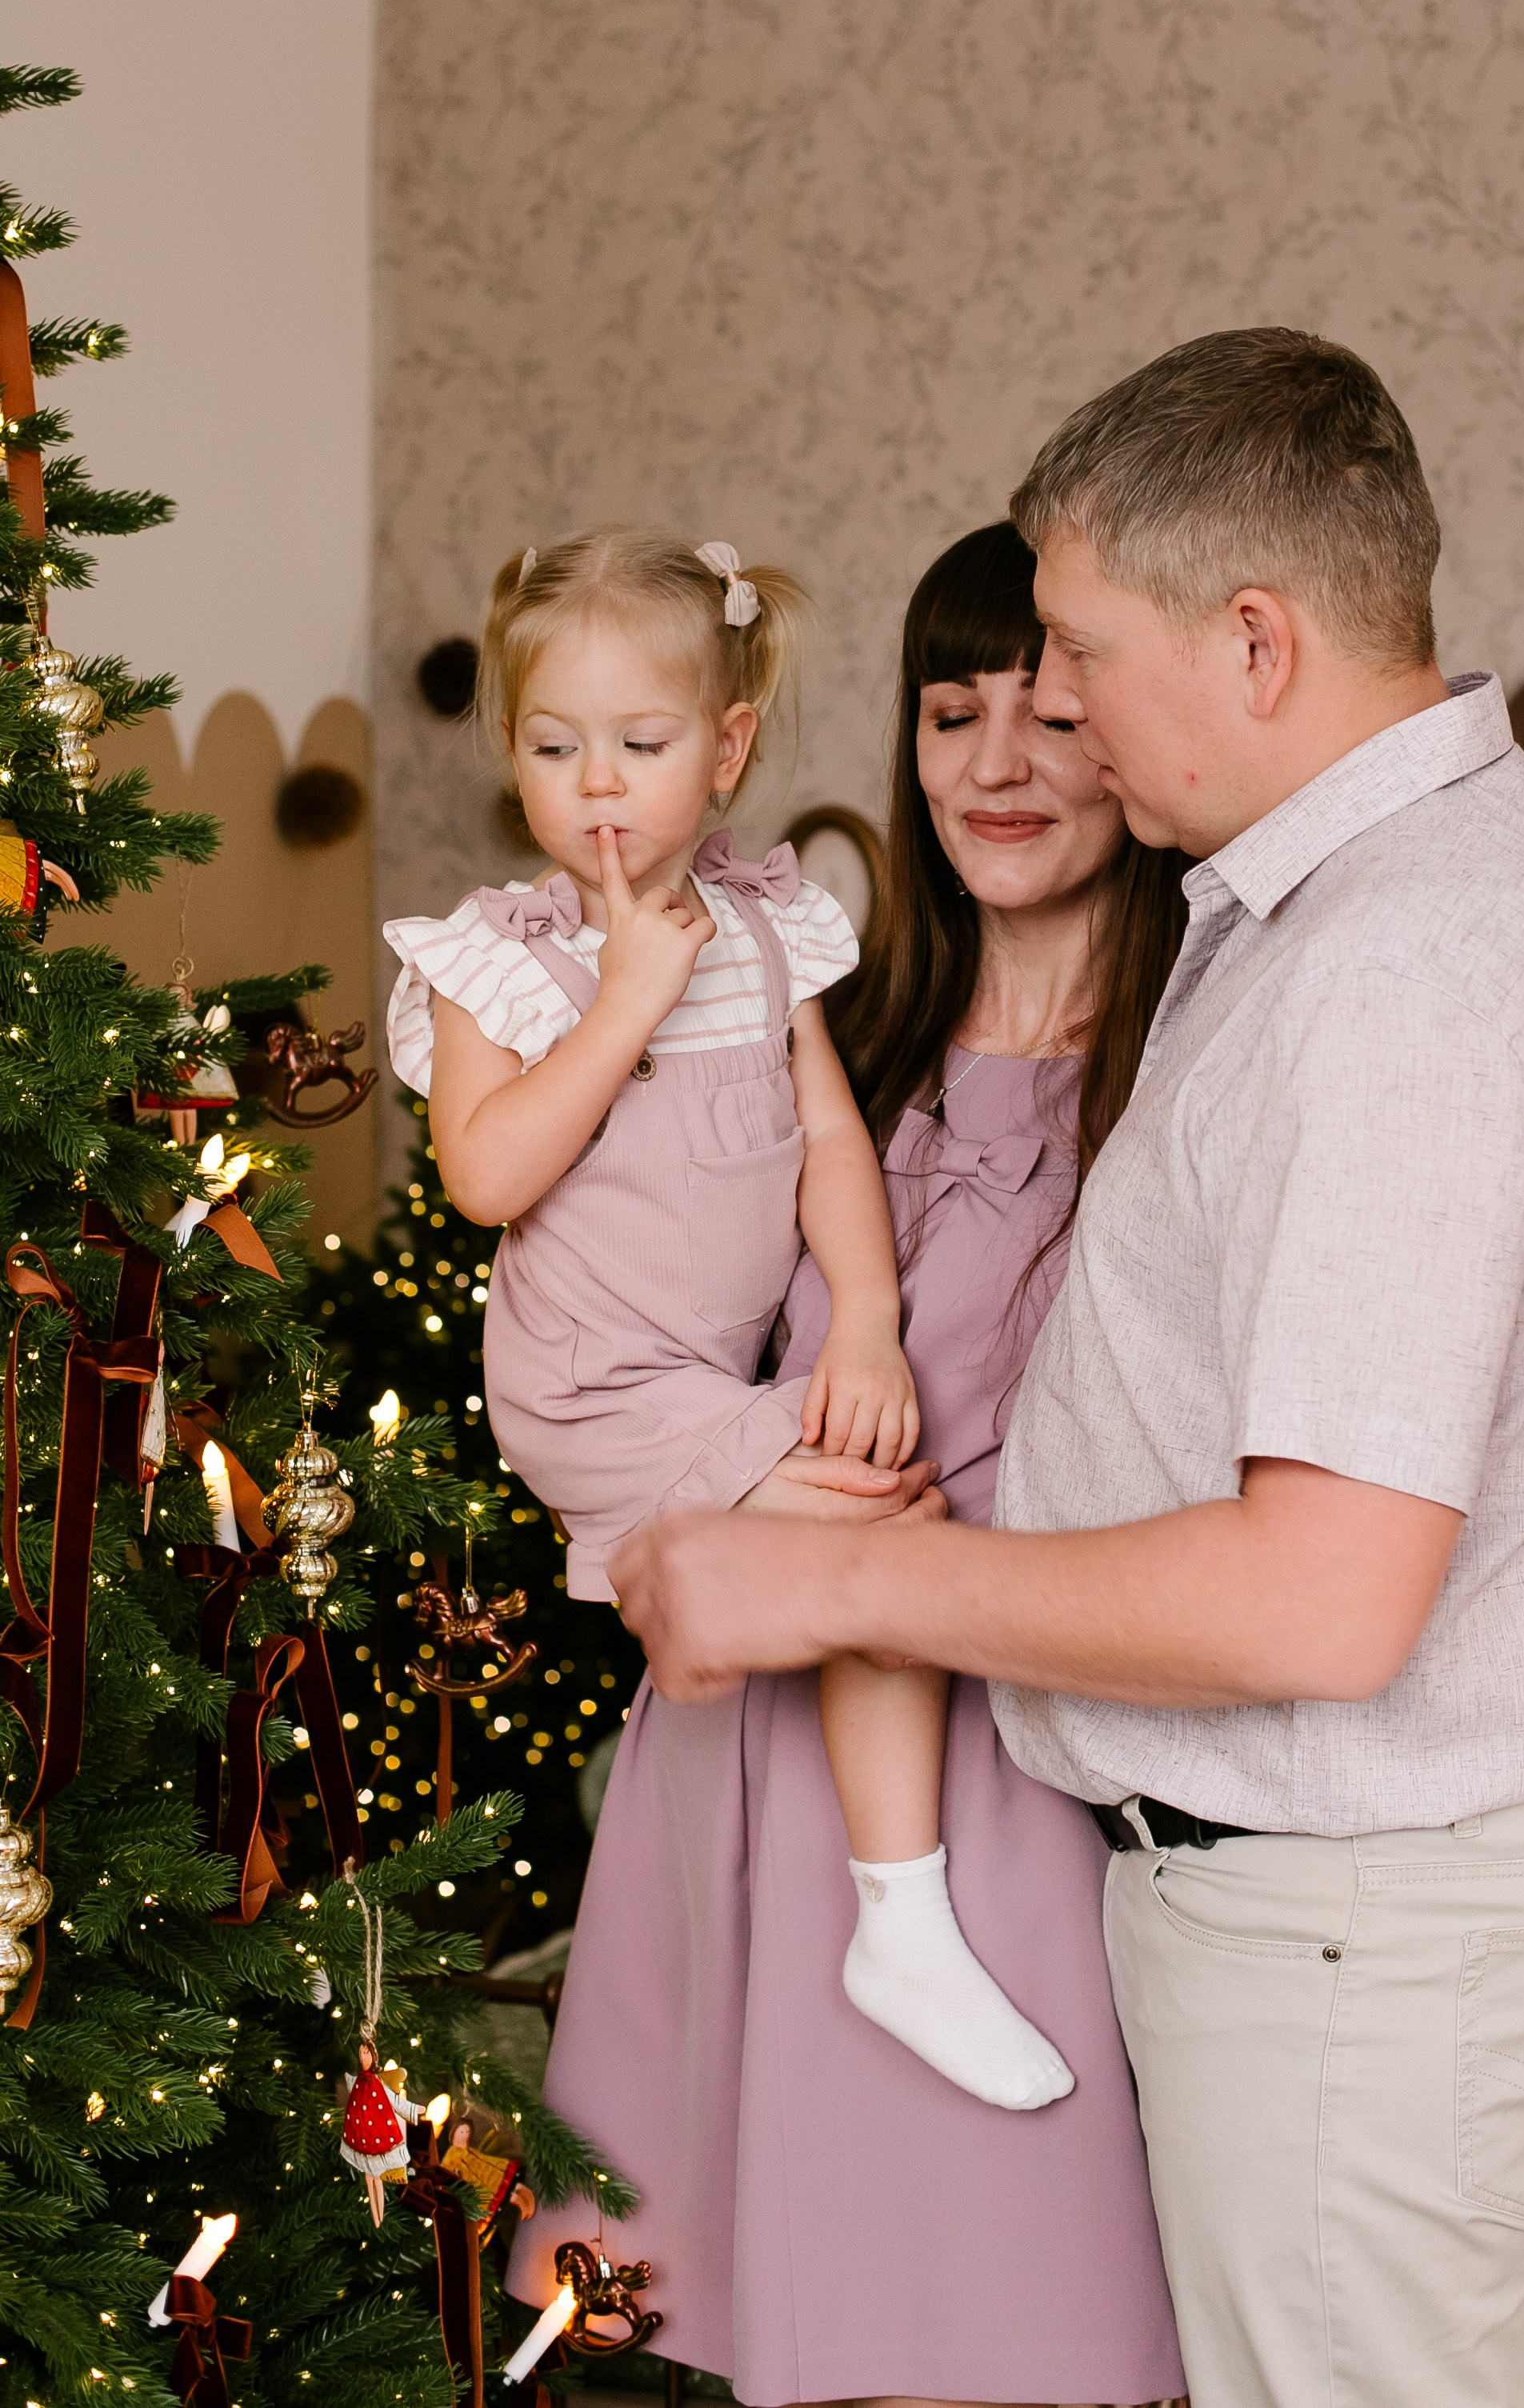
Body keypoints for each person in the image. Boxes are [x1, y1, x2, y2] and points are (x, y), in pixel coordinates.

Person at [616, 330, 1524, 2408]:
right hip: (1389, 1903)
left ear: (1252, 640)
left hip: (1353, 1933)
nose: (1057, 718)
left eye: (1080, 654)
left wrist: (835, 1580)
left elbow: (1323, 1598)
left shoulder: (1405, 969)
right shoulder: (1464, 872)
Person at [507, 521, 1188, 2408]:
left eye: (1050, 716)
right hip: (750, 1757)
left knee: (1000, 2332)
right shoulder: (823, 1024)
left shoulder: (1198, 1068)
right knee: (780, 2343)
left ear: (1130, 736)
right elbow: (615, 1320)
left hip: (1004, 1786)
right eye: (948, 712)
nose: (993, 765)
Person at [383, 527, 1065, 2111]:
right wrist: (620, 996)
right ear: (512, 754)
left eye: (641, 743)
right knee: (874, 1532)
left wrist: (868, 1331)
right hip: (593, 1385)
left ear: (727, 747)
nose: (598, 786)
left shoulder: (767, 931)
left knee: (867, 1510)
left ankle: (863, 1885)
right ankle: (900, 1913)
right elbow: (483, 1172)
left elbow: (833, 1140)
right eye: (555, 747)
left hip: (716, 1370)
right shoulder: (512, 958)